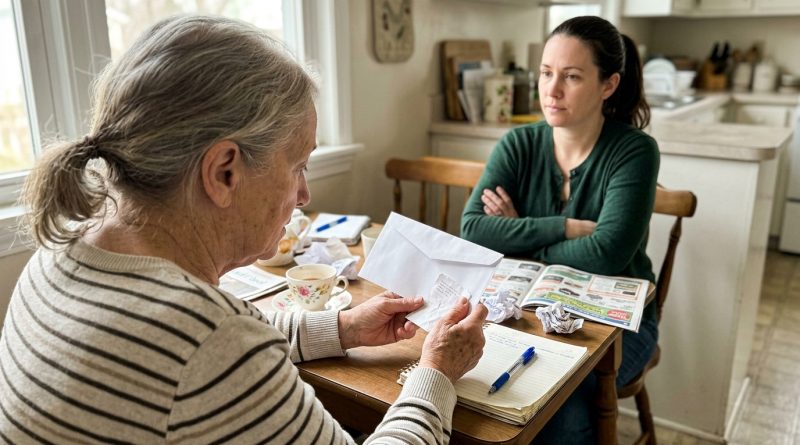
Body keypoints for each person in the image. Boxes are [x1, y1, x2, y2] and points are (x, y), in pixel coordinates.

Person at [0, 15, 487, 444]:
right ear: (223, 172)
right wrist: (436, 372)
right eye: (298, 165)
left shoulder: (59, 247)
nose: (304, 196)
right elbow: (211, 349)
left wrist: (340, 328)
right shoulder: (212, 344)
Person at [461, 16, 659, 444]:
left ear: (608, 85)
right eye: (546, 74)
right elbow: (474, 228)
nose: (551, 90)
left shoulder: (634, 152)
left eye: (571, 77)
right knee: (478, 378)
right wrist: (565, 227)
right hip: (529, 315)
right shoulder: (518, 144)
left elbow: (606, 254)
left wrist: (519, 233)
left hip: (618, 328)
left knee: (561, 405)